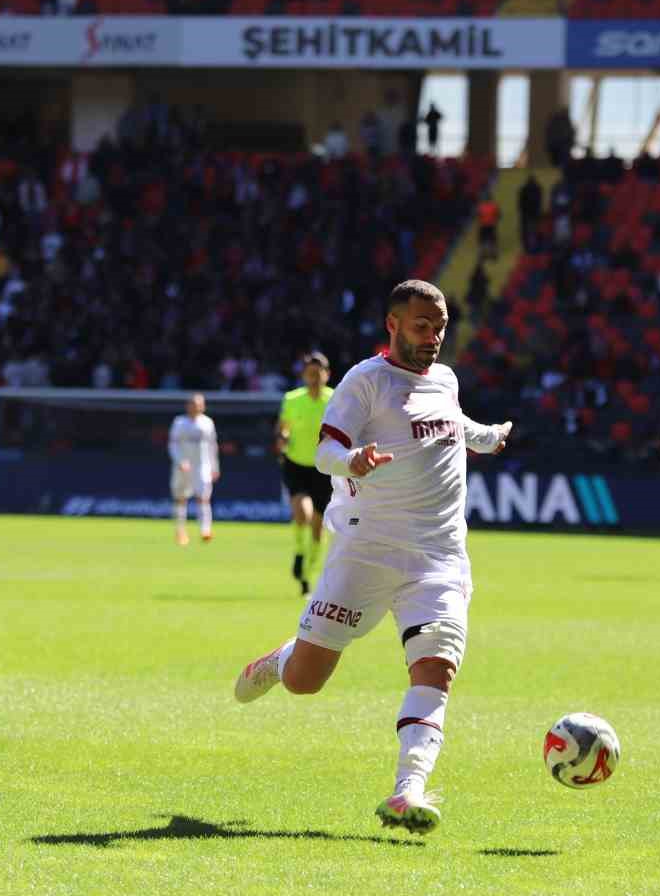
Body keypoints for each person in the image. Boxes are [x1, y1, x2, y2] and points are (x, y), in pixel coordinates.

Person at [232, 280, 512, 835]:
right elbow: (325, 451)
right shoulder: (365, 381)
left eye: (440, 328)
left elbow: (451, 426)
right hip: (367, 550)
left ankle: (409, 789)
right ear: (392, 324)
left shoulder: (446, 380)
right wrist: (352, 459)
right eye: (421, 326)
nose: (432, 338)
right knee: (306, 680)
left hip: (439, 555)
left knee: (436, 666)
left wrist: (485, 437)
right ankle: (281, 660)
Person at [277, 351, 335, 595]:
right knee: (302, 511)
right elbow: (283, 428)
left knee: (318, 528)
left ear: (327, 374)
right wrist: (282, 438)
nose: (314, 376)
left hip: (324, 468)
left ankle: (307, 575)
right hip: (296, 464)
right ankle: (300, 553)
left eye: (318, 372)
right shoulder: (292, 399)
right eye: (310, 372)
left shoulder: (335, 399)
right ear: (304, 375)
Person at [168, 393, 219, 545]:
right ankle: (180, 531)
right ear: (188, 406)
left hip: (202, 466)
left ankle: (205, 530)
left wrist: (215, 466)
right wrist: (180, 461)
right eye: (194, 404)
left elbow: (212, 446)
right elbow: (173, 445)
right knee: (181, 499)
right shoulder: (179, 422)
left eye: (199, 404)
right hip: (183, 467)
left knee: (203, 497)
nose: (197, 407)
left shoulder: (208, 423)